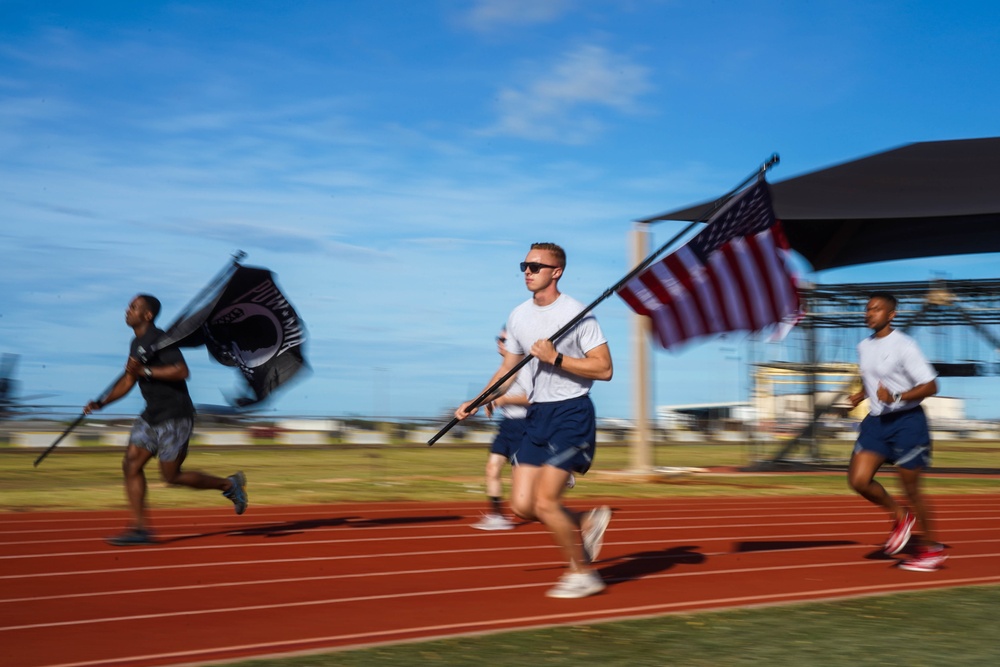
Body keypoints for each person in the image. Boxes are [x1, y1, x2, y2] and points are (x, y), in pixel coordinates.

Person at [455, 242, 613, 598]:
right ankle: (586, 520)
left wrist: (555, 358)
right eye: (524, 265)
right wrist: (479, 400)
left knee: (545, 502)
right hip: (537, 414)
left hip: (571, 413)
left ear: (556, 272)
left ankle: (582, 574)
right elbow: (508, 370)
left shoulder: (578, 313)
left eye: (535, 266)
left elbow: (604, 369)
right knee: (523, 507)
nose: (527, 271)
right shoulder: (518, 316)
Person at [84, 294, 248, 546]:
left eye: (134, 307)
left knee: (171, 476)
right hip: (151, 415)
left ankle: (229, 484)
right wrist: (102, 402)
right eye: (129, 306)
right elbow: (129, 379)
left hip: (175, 416)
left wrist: (145, 370)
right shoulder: (136, 343)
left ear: (147, 315)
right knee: (131, 465)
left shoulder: (162, 341)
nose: (127, 310)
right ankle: (140, 529)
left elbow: (182, 371)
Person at [847, 292, 946, 572]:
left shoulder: (905, 345)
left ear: (892, 315)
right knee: (858, 480)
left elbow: (931, 386)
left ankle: (932, 551)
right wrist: (861, 394)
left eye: (876, 309)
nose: (869, 313)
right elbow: (875, 379)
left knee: (912, 490)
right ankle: (900, 515)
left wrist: (897, 397)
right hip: (877, 422)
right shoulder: (863, 346)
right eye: (867, 309)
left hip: (907, 422)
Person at [471, 327, 531, 531]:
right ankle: (497, 516)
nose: (499, 342)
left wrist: (504, 399)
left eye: (503, 339)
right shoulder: (503, 368)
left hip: (526, 427)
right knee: (492, 467)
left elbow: (536, 400)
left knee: (522, 494)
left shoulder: (525, 368)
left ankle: (555, 468)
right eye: (498, 338)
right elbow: (491, 391)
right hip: (507, 425)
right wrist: (481, 403)